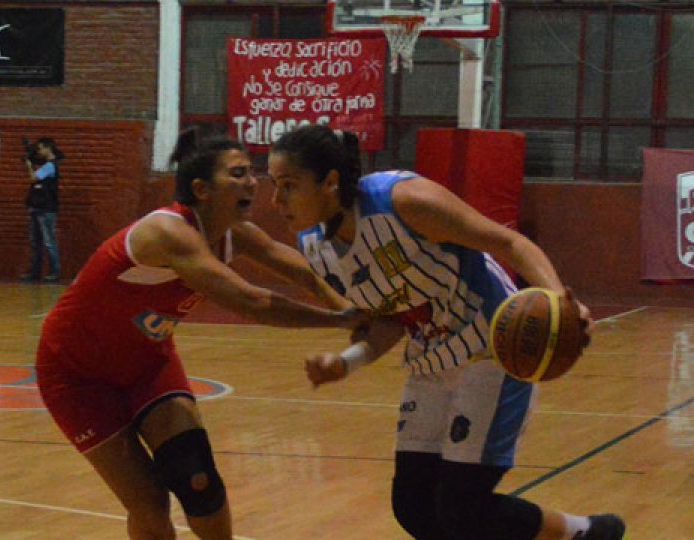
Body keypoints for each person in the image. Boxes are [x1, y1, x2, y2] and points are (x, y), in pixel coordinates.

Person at [267, 124, 627, 540]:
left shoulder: (403, 202)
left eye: (288, 186)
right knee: (413, 507)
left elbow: (510, 243)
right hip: (432, 361)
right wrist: (345, 364)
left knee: (461, 508)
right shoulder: (316, 246)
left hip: (492, 349)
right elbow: (391, 319)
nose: (276, 200)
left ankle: (584, 533)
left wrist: (558, 302)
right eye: (274, 186)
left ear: (329, 182)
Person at [35, 128, 374, 539]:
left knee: (198, 480)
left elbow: (303, 270)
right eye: (237, 174)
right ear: (202, 189)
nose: (252, 182)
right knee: (150, 502)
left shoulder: (235, 233)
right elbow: (254, 302)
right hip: (77, 376)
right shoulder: (168, 232)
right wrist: (342, 320)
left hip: (147, 365)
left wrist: (348, 308)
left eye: (252, 173)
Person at [22, 138, 63, 282]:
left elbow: (34, 178)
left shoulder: (50, 166)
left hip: (45, 209)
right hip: (38, 207)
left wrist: (28, 164)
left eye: (40, 149)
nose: (39, 152)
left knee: (48, 242)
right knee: (36, 242)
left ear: (48, 148)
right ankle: (35, 272)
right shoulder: (47, 166)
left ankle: (54, 272)